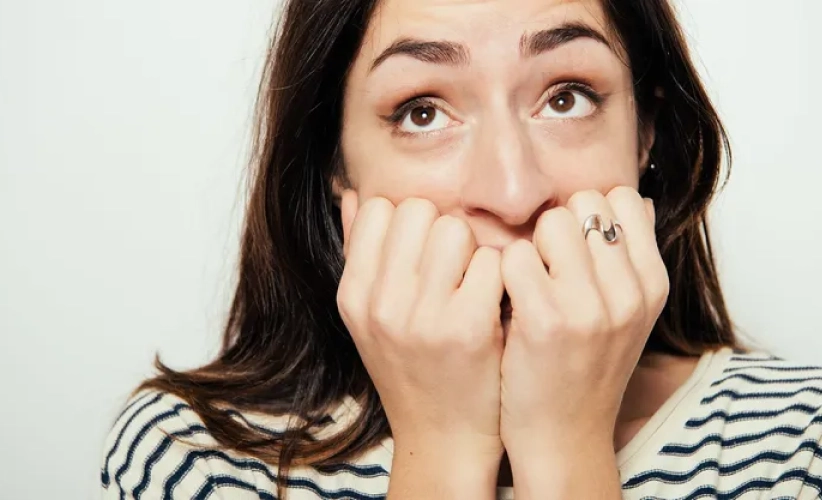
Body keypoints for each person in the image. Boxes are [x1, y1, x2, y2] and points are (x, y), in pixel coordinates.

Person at [100, 0, 822, 498]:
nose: (512, 191)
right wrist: (442, 451)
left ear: (645, 137)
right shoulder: (200, 459)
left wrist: (563, 449)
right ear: (335, 165)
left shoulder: (800, 444)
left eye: (567, 95)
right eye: (422, 111)